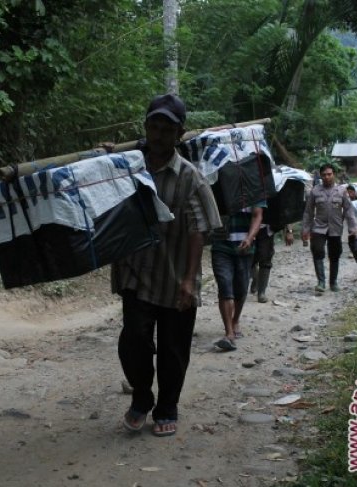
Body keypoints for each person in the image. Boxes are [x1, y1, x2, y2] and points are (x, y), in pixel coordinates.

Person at [111, 94, 221, 437]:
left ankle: (167, 405)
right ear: (145, 128)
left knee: (174, 350)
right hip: (136, 274)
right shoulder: (126, 166)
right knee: (133, 341)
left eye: (166, 128)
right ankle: (142, 397)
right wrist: (103, 158)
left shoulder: (190, 178)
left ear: (179, 134)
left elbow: (199, 230)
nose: (158, 134)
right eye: (153, 126)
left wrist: (190, 280)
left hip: (175, 279)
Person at [211, 201, 264, 352]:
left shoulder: (254, 188)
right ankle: (229, 333)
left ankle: (235, 321)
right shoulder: (218, 185)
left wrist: (250, 238)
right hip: (221, 245)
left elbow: (257, 215)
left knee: (241, 289)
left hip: (244, 247)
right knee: (225, 286)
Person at [301, 163, 357, 293]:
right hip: (319, 227)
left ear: (334, 175)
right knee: (317, 251)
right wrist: (305, 229)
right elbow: (308, 212)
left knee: (335, 255)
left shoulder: (342, 191)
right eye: (324, 175)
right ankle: (321, 282)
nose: (327, 177)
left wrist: (353, 228)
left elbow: (349, 210)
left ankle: (333, 282)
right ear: (321, 176)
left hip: (335, 229)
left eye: (329, 174)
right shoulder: (315, 191)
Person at [250, 223, 295, 303]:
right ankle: (256, 277)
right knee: (249, 259)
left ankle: (261, 292)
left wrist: (289, 231)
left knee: (266, 258)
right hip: (246, 227)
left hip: (266, 229)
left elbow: (284, 212)